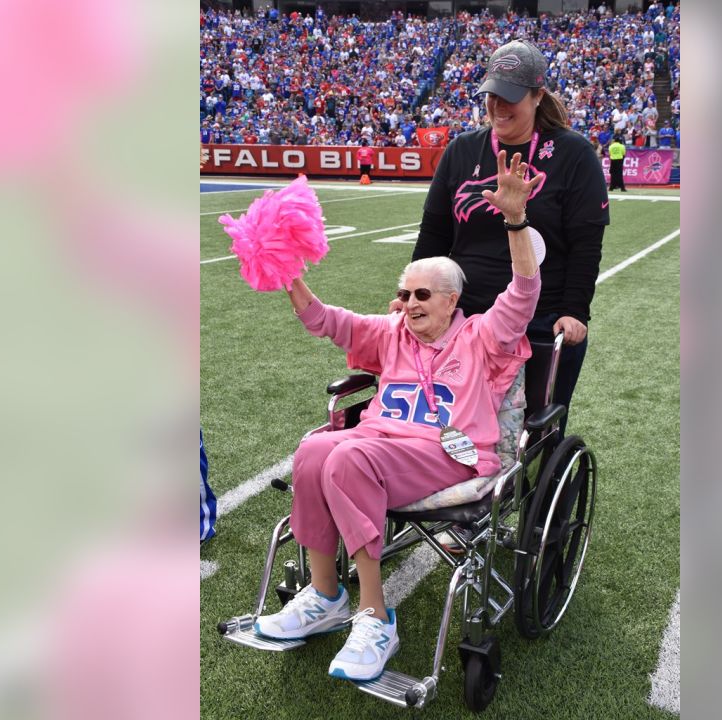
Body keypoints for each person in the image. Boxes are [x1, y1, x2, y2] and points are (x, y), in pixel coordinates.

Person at [252, 152, 544, 683]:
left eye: (423, 295)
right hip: (385, 447)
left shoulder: (481, 336)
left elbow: (524, 295)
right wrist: (289, 275)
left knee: (353, 455)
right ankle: (324, 595)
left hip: (452, 453)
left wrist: (516, 221)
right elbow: (326, 321)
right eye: (405, 293)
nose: (409, 303)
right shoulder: (392, 333)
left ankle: (375, 616)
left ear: (452, 301)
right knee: (315, 450)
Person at [406, 39, 609, 555]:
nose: (497, 109)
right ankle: (444, 486)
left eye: (510, 99)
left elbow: (586, 243)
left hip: (536, 315)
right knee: (434, 408)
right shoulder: (463, 151)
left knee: (528, 428)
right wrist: (411, 292)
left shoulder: (574, 155)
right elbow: (433, 234)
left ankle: (521, 508)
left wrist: (574, 311)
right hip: (460, 315)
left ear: (538, 95)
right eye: (490, 98)